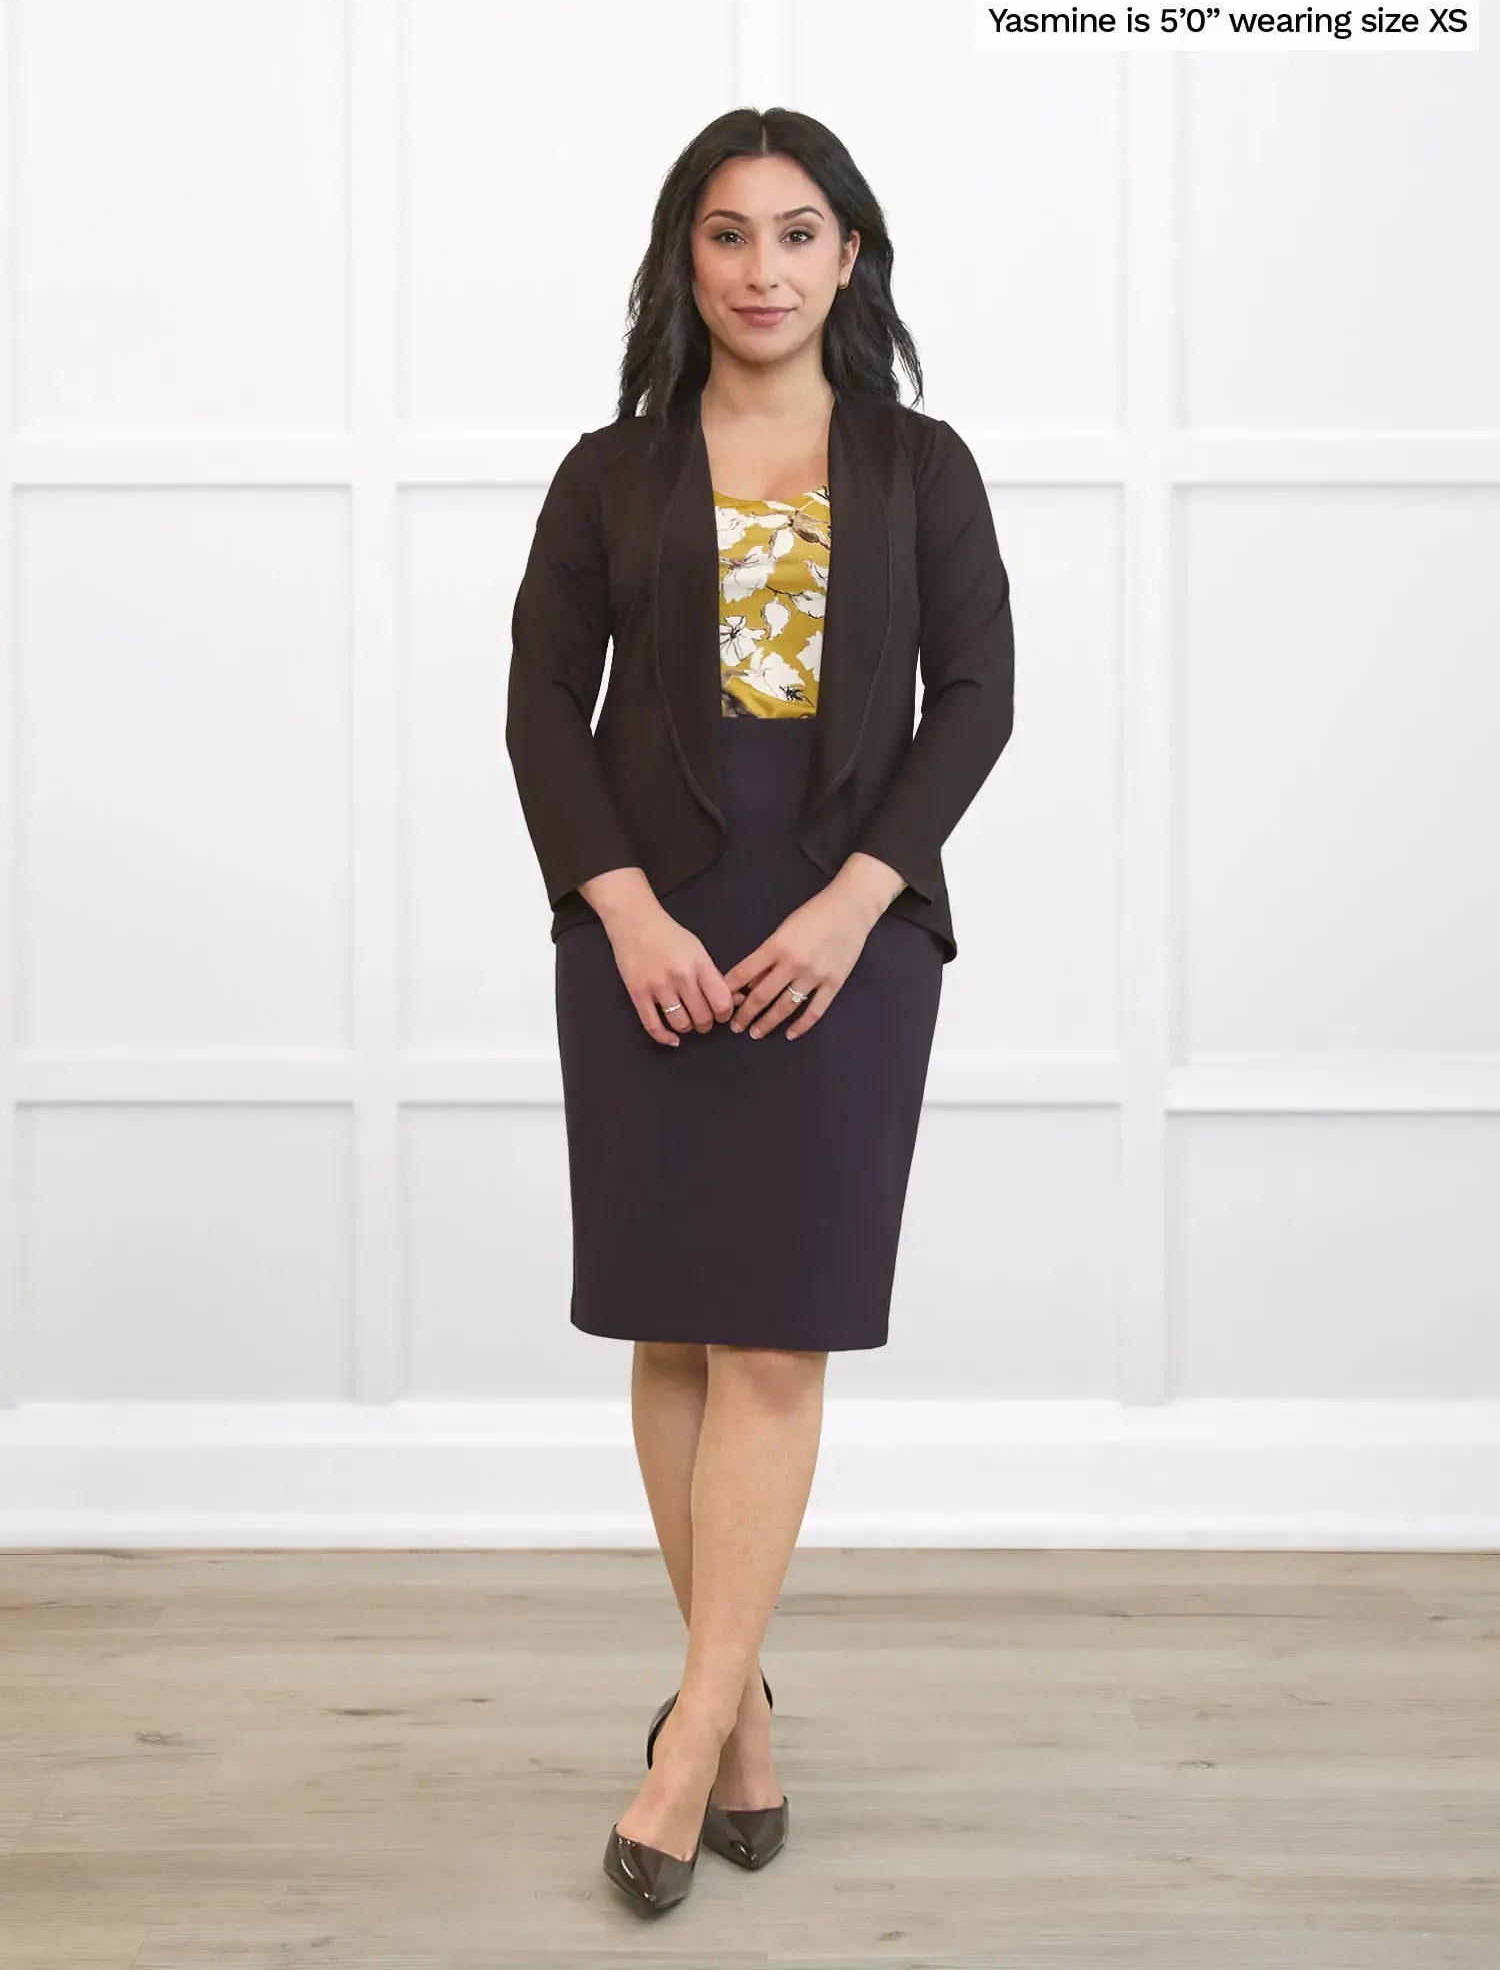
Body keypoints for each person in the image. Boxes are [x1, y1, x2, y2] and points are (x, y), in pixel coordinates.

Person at [505, 106, 1015, 1914]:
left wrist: (858, 899)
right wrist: (622, 909)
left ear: (848, 258)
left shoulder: (918, 466)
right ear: (684, 262)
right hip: (645, 927)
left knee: (777, 1336)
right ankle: (744, 1727)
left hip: (847, 928)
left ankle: (687, 1731)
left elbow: (976, 702)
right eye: (728, 237)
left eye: (800, 235)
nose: (764, 271)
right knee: (671, 1325)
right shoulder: (609, 473)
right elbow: (540, 713)